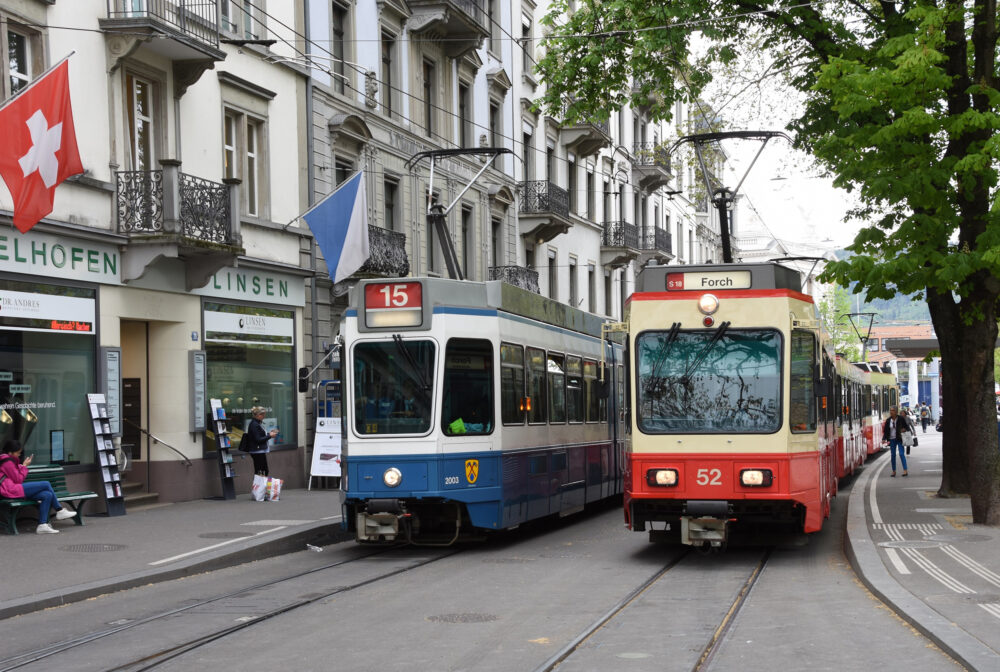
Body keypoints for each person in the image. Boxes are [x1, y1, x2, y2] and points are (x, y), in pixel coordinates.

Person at [0, 440, 76, 534]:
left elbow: (13, 474)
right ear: (10, 452)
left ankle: (42, 525)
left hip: (12, 488)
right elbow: (18, 479)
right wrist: (25, 467)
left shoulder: (7, 460)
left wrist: (23, 465)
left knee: (47, 495)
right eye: (18, 453)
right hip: (10, 490)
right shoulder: (7, 461)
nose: (19, 455)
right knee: (46, 484)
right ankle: (59, 510)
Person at [246, 406, 277, 476]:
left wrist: (269, 434)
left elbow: (260, 436)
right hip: (257, 451)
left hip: (259, 450)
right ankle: (258, 486)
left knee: (262, 471)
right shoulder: (254, 424)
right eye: (263, 415)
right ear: (258, 415)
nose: (264, 416)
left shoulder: (257, 423)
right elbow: (258, 439)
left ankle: (260, 485)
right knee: (260, 471)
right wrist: (270, 436)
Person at [882, 406, 909, 477]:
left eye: (893, 410)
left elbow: (907, 427)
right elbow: (885, 431)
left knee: (901, 454)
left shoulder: (901, 419)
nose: (891, 412)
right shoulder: (888, 420)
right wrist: (884, 439)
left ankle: (905, 470)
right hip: (892, 439)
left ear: (896, 412)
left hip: (899, 439)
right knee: (893, 455)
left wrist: (904, 429)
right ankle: (893, 471)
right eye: (890, 410)